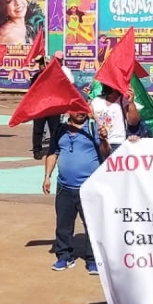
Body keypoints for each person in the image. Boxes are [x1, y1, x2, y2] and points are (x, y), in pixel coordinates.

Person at [42, 110, 110, 274]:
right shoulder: (60, 129)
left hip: (88, 188)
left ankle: (93, 259)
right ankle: (64, 256)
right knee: (63, 225)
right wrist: (47, 176)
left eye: (83, 108)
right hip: (64, 187)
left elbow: (105, 153)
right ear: (68, 111)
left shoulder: (94, 127)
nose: (80, 112)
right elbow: (53, 153)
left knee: (92, 225)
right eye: (76, 108)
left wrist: (103, 139)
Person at [30, 58, 61, 160]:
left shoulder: (57, 76)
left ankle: (54, 149)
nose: (44, 66)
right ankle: (37, 150)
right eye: (43, 64)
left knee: (55, 129)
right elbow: (32, 90)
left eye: (48, 64)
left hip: (53, 107)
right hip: (40, 107)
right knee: (38, 130)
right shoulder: (36, 76)